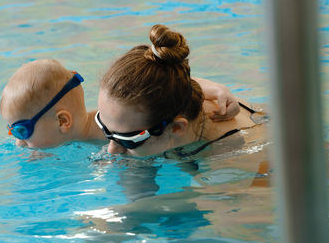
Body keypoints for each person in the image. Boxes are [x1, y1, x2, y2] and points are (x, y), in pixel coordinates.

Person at [96, 24, 266, 156]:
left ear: (176, 128)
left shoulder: (232, 155)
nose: (111, 150)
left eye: (128, 141)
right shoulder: (171, 92)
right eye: (104, 127)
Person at [1, 58, 240, 149]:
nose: (18, 142)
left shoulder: (123, 113)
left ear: (63, 121)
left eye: (23, 130)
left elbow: (163, 79)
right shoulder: (120, 108)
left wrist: (215, 90)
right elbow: (159, 80)